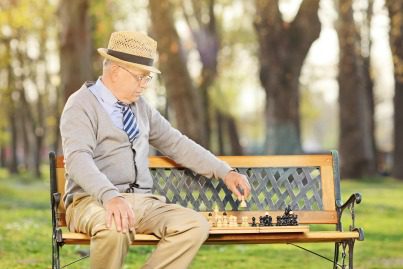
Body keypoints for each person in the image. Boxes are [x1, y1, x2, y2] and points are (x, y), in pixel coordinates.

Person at [60, 31, 251, 269]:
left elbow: (177, 143)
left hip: (142, 203)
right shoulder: (80, 105)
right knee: (114, 228)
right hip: (92, 201)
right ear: (116, 71)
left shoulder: (141, 108)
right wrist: (111, 196)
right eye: (140, 77)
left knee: (194, 225)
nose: (144, 86)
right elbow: (78, 159)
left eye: (147, 78)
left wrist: (225, 172)